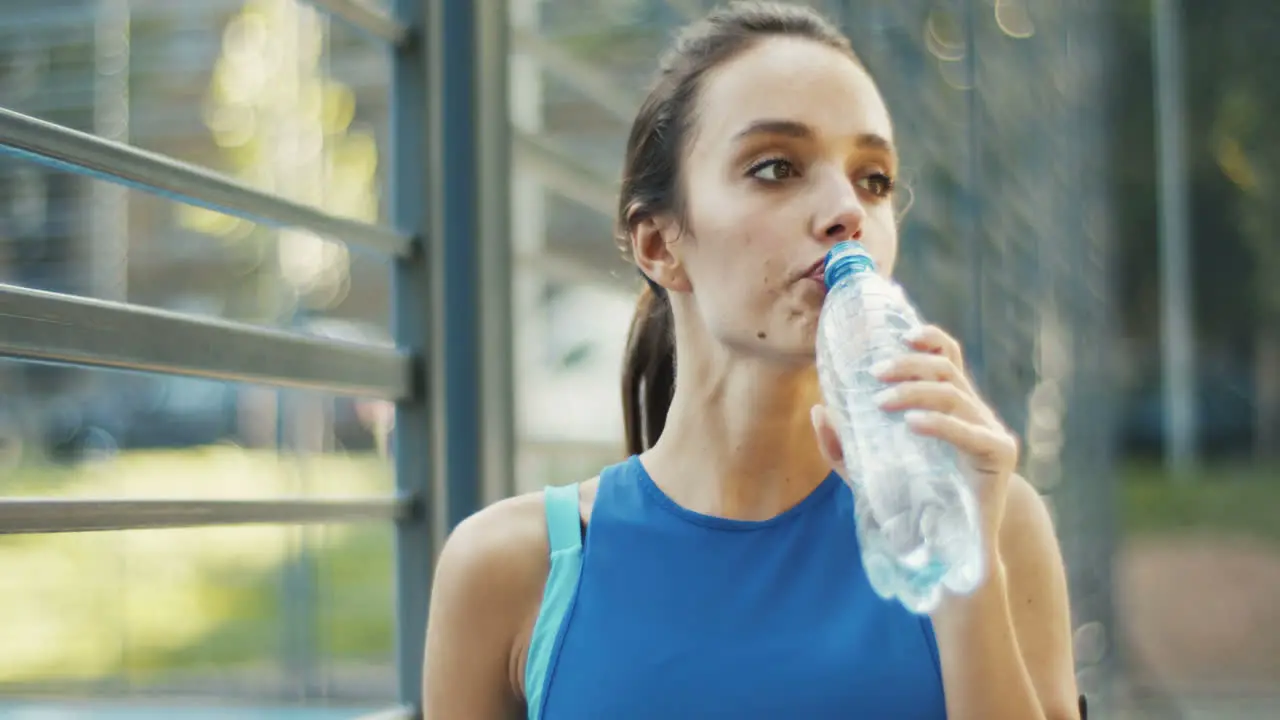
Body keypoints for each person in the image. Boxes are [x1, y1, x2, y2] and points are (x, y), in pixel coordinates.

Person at [423, 2, 1081, 718]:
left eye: (874, 179)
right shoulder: (511, 569)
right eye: (776, 168)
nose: (845, 211)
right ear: (659, 245)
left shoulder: (990, 521)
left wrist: (960, 571)